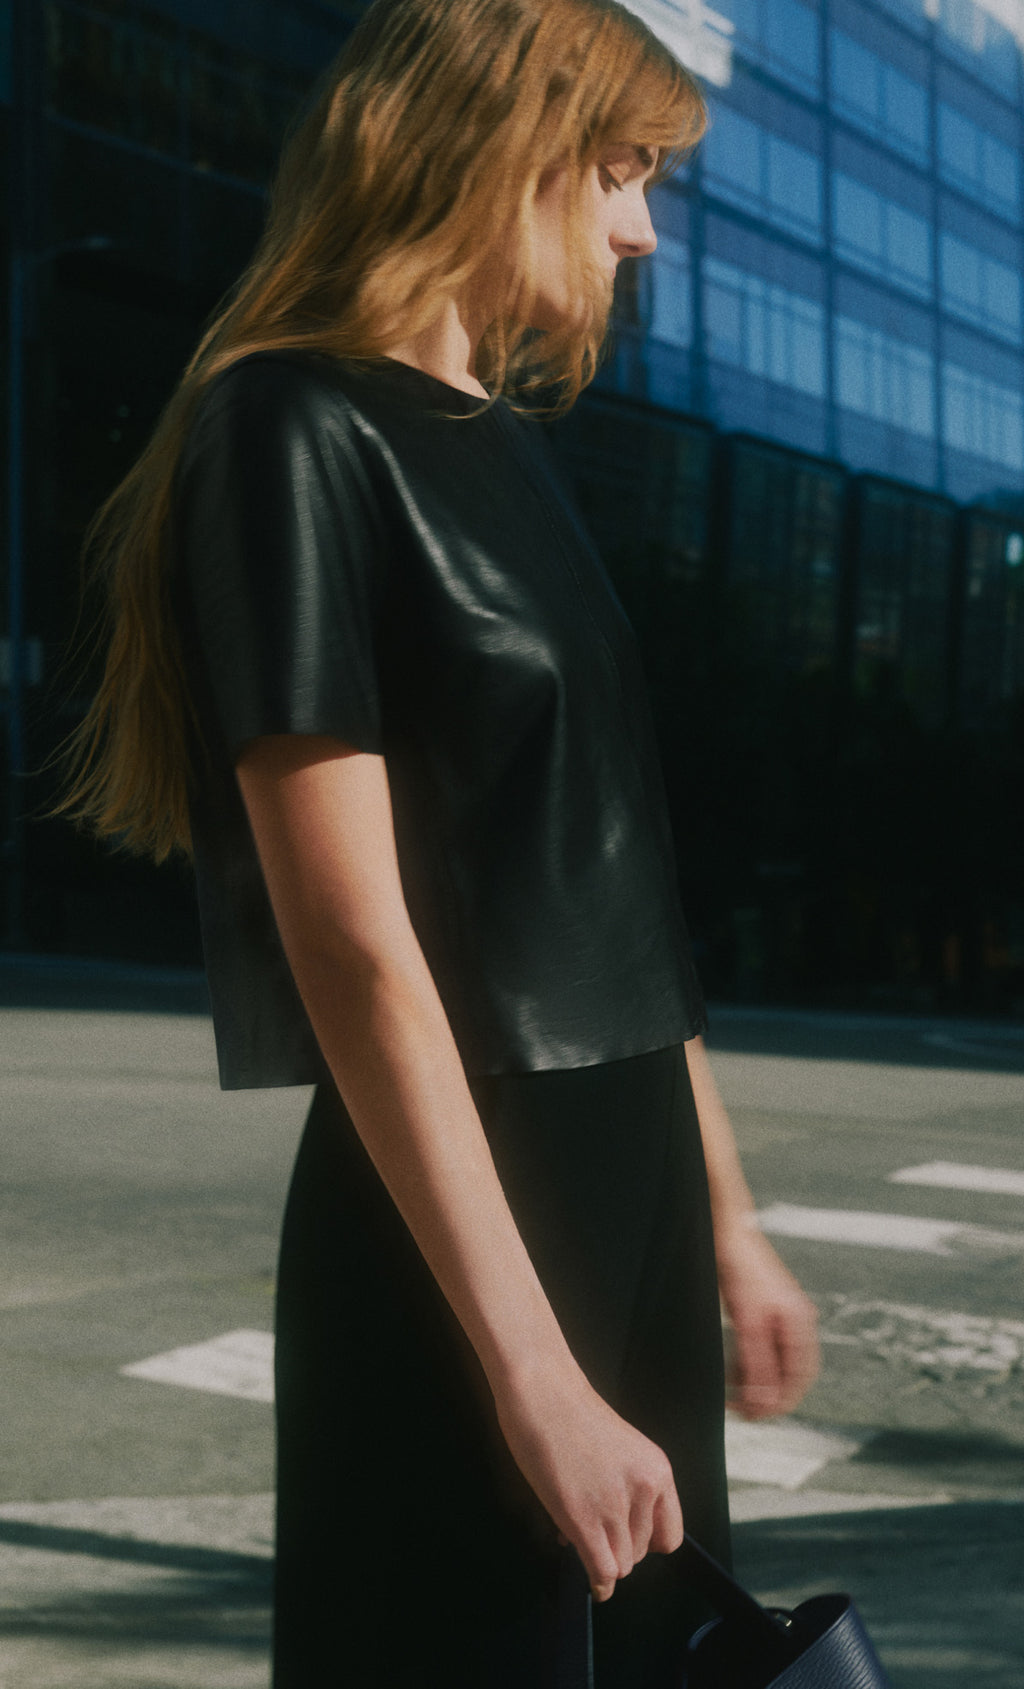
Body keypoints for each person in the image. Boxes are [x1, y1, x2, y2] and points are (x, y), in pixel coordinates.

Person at [62, 1, 820, 1683]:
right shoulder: (288, 426)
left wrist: (730, 1218)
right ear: (486, 147)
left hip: (626, 1196)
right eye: (617, 170)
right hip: (463, 1221)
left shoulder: (513, 452)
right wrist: (532, 1367)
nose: (640, 225)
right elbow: (351, 940)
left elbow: (610, 888)